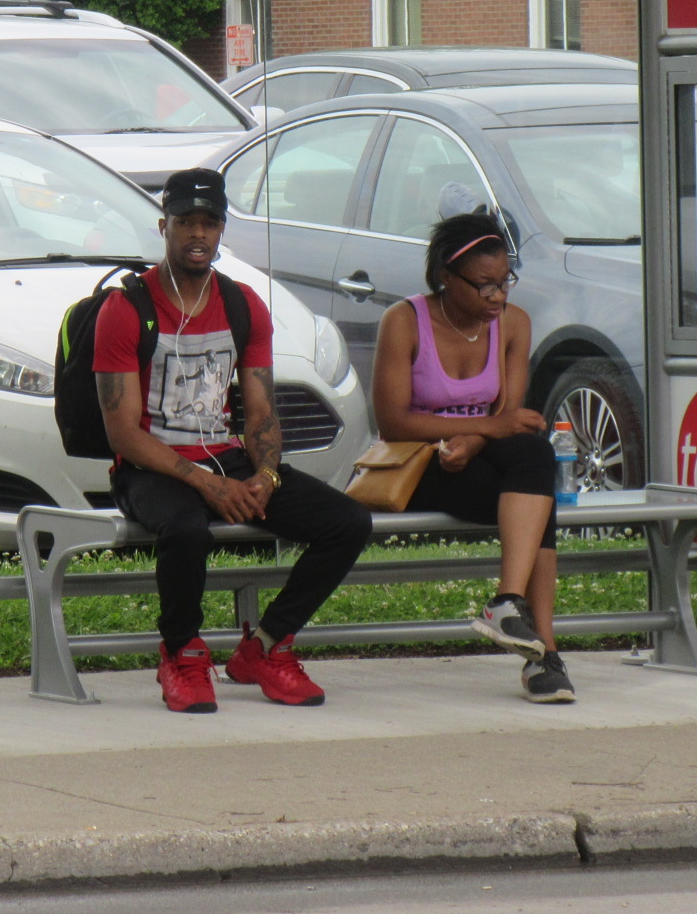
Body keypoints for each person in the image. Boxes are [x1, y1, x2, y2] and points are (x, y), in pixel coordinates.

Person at [95, 166, 371, 713]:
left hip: (226, 459)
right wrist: (205, 484)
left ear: (222, 230)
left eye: (210, 223)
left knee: (347, 522)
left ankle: (266, 648)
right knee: (185, 527)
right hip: (150, 468)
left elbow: (262, 412)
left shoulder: (244, 304)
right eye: (186, 222)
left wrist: (265, 477)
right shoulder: (126, 309)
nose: (198, 234)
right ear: (164, 226)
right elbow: (122, 430)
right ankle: (180, 652)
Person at [370, 210, 575, 703]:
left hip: (479, 459)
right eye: (484, 286)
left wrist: (479, 438)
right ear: (445, 277)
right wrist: (482, 429)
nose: (498, 297)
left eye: (505, 282)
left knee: (532, 456)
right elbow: (394, 421)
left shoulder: (513, 324)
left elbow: (509, 415)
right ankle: (544, 655)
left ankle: (507, 603)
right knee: (536, 499)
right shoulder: (403, 321)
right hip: (421, 466)